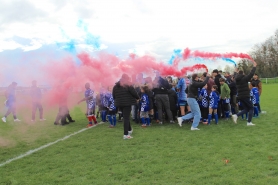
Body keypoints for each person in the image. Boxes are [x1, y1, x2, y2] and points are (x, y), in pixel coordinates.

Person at [113, 74, 140, 139]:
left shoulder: (115, 86)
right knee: (126, 118)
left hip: (119, 103)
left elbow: (113, 96)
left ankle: (129, 130)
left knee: (126, 117)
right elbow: (134, 93)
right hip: (127, 103)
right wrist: (138, 98)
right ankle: (126, 134)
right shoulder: (128, 84)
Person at [232, 62, 257, 126]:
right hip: (245, 95)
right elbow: (251, 74)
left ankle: (236, 115)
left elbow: (235, 75)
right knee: (251, 108)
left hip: (240, 96)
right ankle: (249, 122)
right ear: (243, 73)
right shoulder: (244, 78)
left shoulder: (236, 79)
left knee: (246, 109)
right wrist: (254, 66)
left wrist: (235, 71)